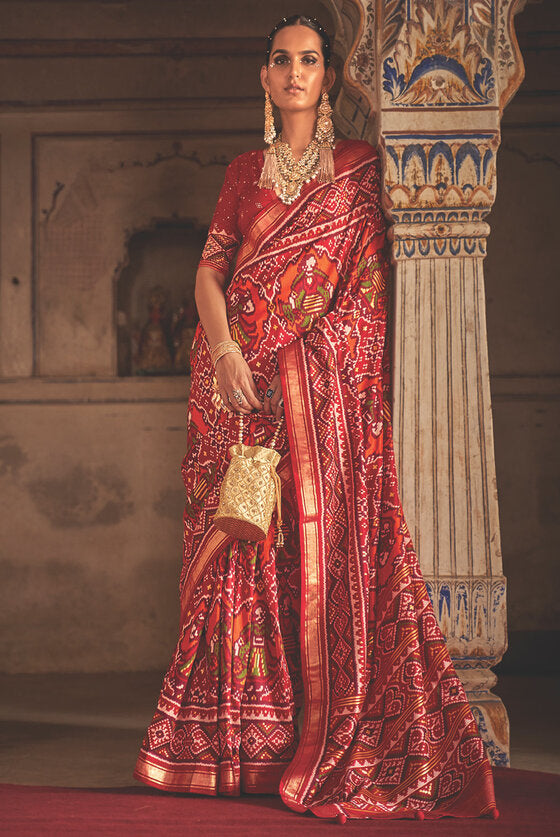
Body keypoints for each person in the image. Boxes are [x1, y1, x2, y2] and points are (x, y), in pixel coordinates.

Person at [134, 15, 499, 822]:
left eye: (308, 60)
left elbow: (366, 298)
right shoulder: (242, 174)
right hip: (238, 399)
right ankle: (236, 745)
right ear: (263, 79)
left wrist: (299, 368)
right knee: (239, 562)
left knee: (312, 552)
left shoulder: (357, 171)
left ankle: (314, 734)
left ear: (328, 78)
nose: (295, 73)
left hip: (313, 401)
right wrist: (228, 353)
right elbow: (210, 270)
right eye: (280, 61)